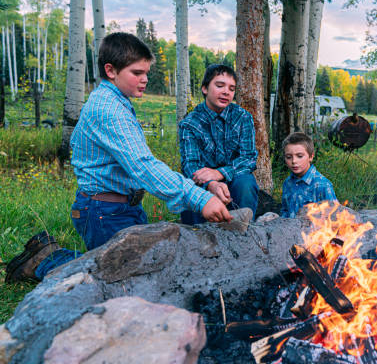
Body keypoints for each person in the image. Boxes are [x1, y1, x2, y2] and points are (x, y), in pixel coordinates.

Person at [5, 33, 231, 283]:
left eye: (146, 72)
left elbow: (138, 161)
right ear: (111, 70)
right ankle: (45, 261)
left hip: (122, 206)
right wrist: (198, 197)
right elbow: (143, 167)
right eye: (137, 73)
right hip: (104, 211)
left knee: (145, 266)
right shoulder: (109, 110)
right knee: (114, 278)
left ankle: (55, 257)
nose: (145, 79)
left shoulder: (116, 101)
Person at [178, 64, 259, 224]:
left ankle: (244, 232)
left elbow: (249, 158)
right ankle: (197, 237)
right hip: (203, 182)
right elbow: (190, 165)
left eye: (231, 88)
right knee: (189, 189)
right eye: (219, 85)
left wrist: (220, 173)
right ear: (205, 89)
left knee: (246, 182)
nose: (226, 92)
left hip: (234, 178)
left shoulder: (242, 117)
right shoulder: (189, 123)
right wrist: (211, 183)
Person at [280, 132, 337, 218]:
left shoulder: (322, 185)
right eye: (288, 157)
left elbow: (335, 216)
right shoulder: (287, 183)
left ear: (311, 157)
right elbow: (285, 211)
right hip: (289, 229)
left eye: (299, 156)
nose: (294, 161)